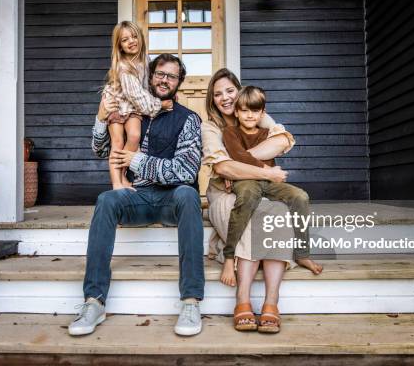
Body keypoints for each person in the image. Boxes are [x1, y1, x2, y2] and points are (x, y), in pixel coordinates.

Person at [68, 54, 205, 337]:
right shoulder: (134, 113)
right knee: (106, 199)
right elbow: (102, 150)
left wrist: (135, 161)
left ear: (179, 82)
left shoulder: (189, 119)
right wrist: (100, 117)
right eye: (160, 74)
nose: (164, 80)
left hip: (172, 200)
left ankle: (190, 301)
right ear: (150, 76)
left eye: (172, 76)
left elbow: (186, 172)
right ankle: (93, 301)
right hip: (137, 197)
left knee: (189, 195)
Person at [202, 68, 323, 334]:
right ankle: (242, 299)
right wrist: (264, 170)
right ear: (212, 99)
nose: (225, 98)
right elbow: (223, 170)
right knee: (251, 217)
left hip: (262, 185)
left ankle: (271, 302)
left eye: (230, 91)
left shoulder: (256, 112)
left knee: (278, 213)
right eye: (218, 93)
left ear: (239, 90)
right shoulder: (211, 126)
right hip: (224, 191)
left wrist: (240, 162)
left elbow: (282, 141)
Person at [101, 21, 173, 190]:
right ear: (119, 45)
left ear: (140, 38)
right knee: (117, 142)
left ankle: (123, 175)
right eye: (125, 40)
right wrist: (159, 104)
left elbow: (147, 88)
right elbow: (137, 97)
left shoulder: (145, 61)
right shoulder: (123, 67)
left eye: (134, 36)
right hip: (117, 105)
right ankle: (116, 183)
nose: (131, 41)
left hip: (132, 108)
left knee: (134, 136)